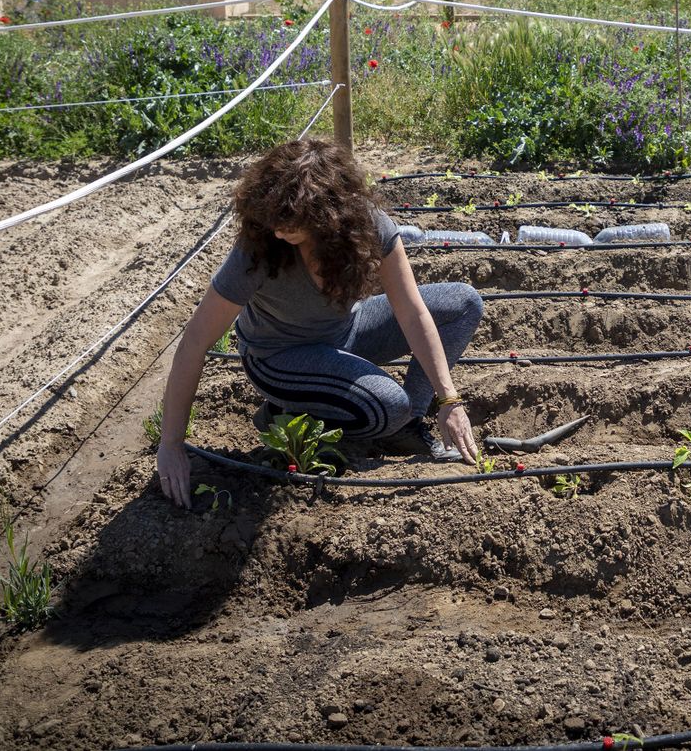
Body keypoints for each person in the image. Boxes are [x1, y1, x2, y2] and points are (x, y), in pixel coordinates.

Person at [155, 139, 485, 508]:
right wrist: (171, 444)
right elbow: (195, 341)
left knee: (462, 304)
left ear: (328, 216)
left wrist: (449, 399)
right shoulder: (259, 250)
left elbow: (412, 311)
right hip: (279, 355)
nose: (278, 231)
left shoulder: (369, 226)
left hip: (347, 331)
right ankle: (287, 410)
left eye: (290, 223)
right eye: (273, 219)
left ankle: (409, 425)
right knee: (388, 406)